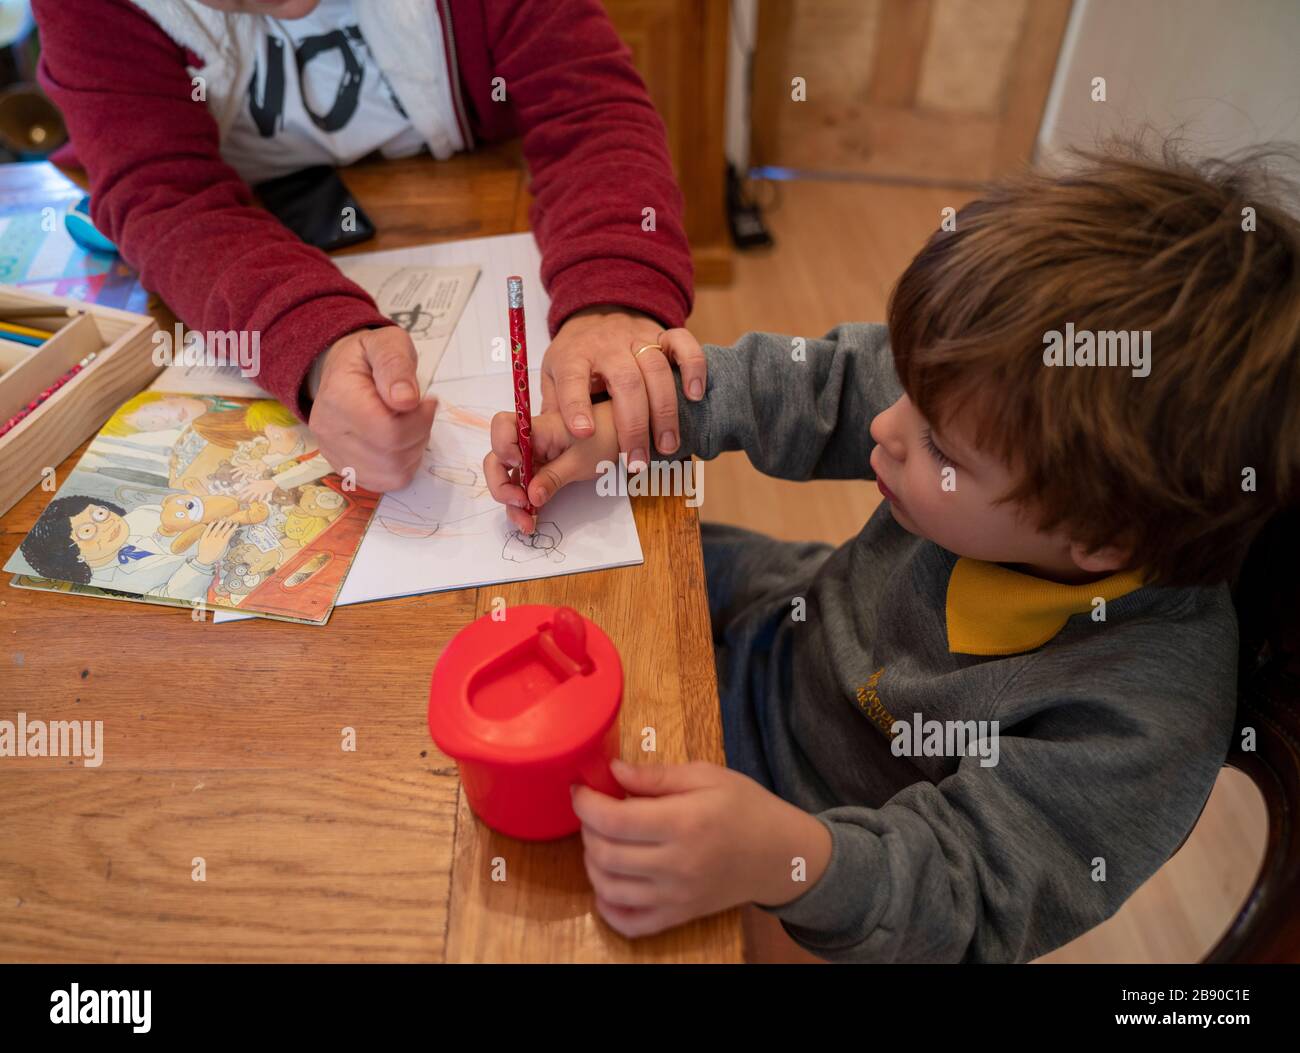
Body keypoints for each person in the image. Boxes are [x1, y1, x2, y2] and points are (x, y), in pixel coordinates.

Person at [482, 145, 1300, 961]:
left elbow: (960, 895)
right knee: (577, 581)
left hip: (808, 817)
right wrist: (631, 424)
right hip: (792, 613)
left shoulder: (1144, 721)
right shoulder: (993, 395)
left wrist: (786, 857)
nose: (886, 424)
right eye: (906, 386)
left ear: (1101, 540)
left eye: (939, 447)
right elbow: (827, 385)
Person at [32, 0, 698, 491]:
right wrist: (312, 340)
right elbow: (164, 196)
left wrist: (610, 295)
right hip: (257, 260)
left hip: (474, 210)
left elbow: (589, 112)